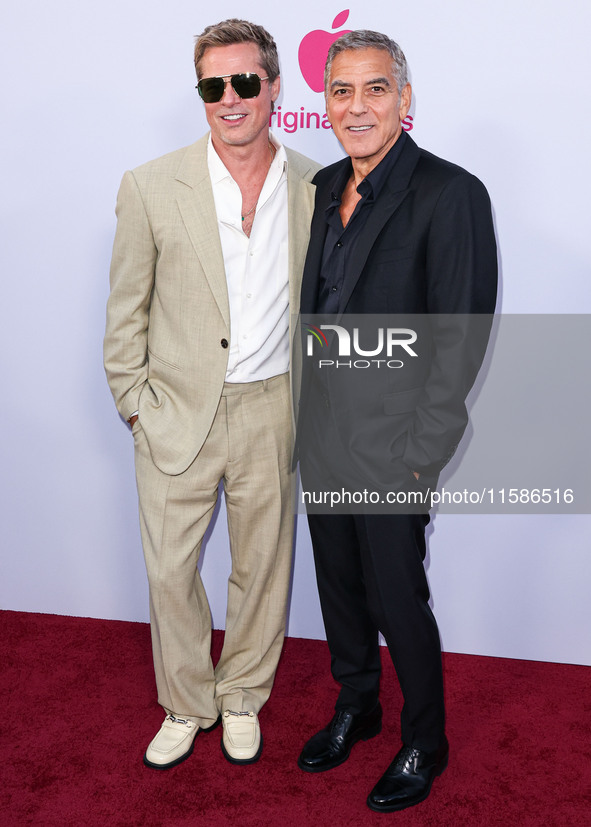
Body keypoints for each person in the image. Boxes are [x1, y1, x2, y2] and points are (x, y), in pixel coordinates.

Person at [103, 18, 320, 770]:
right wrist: (135, 401)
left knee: (262, 567)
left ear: (273, 86)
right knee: (170, 570)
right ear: (200, 93)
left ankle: (240, 698)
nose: (230, 99)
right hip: (176, 410)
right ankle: (186, 700)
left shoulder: (316, 184)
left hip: (273, 406)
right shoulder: (150, 184)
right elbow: (124, 310)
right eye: (212, 85)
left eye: (244, 81)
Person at [296, 31, 497, 812]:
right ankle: (357, 703)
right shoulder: (322, 186)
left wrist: (422, 453)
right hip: (322, 437)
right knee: (340, 589)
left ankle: (425, 738)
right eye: (341, 92)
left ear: (404, 101)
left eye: (374, 89)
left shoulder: (451, 193)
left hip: (394, 449)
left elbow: (461, 334)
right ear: (325, 106)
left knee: (395, 597)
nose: (357, 107)